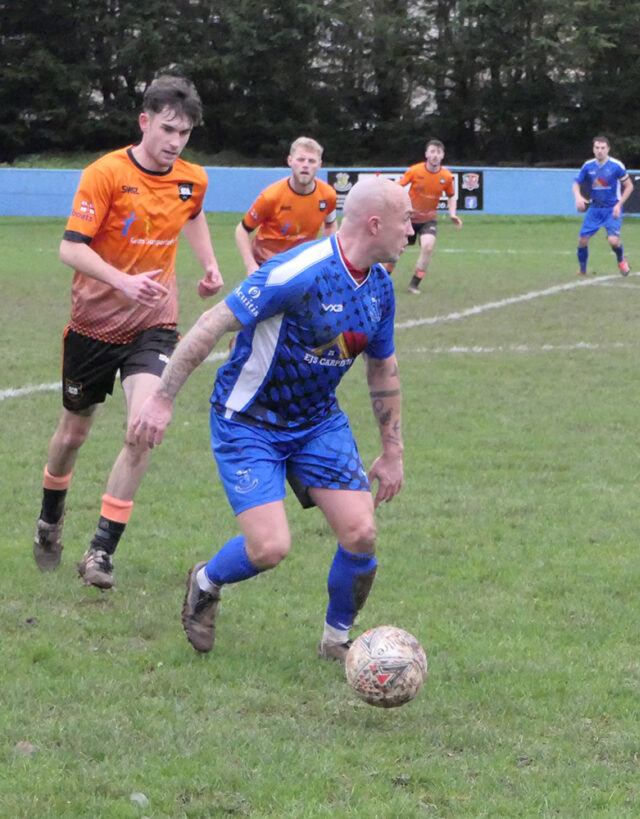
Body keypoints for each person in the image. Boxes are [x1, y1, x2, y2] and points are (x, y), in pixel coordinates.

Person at [129, 176, 412, 662]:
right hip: (249, 422)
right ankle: (206, 581)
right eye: (407, 220)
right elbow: (212, 323)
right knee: (269, 548)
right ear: (375, 223)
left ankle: (336, 643)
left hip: (317, 423)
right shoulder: (296, 272)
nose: (413, 230)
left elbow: (382, 367)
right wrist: (161, 397)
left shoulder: (380, 288)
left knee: (361, 533)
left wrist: (392, 450)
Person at [32, 74, 223, 588]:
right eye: (167, 129)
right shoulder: (105, 174)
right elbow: (70, 248)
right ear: (144, 122)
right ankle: (51, 516)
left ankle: (100, 552)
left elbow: (195, 214)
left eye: (184, 133)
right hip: (93, 325)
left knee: (145, 428)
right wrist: (121, 281)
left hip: (154, 326)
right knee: (74, 432)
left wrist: (208, 265)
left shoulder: (192, 179)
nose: (175, 142)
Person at [234, 136, 338, 275]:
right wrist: (251, 266)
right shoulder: (270, 197)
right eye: (300, 159)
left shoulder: (328, 195)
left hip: (301, 267)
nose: (305, 165)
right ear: (290, 161)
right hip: (266, 265)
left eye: (311, 161)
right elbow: (242, 230)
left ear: (320, 164)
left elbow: (330, 224)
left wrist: (326, 257)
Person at [395, 138, 463, 294]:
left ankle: (414, 284)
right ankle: (382, 278)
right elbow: (398, 187)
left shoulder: (446, 176)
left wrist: (452, 214)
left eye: (438, 152)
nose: (435, 155)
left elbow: (451, 195)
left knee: (428, 246)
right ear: (426, 154)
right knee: (396, 250)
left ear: (443, 155)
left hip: (428, 220)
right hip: (409, 219)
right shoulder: (415, 171)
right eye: (432, 151)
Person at [572, 135, 634, 276]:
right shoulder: (588, 166)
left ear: (608, 149)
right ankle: (582, 270)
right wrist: (578, 197)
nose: (600, 151)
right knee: (582, 240)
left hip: (612, 209)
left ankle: (621, 260)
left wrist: (619, 205)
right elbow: (576, 183)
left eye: (603, 148)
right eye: (597, 148)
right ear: (593, 149)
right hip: (595, 208)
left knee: (613, 241)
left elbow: (629, 186)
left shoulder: (616, 166)